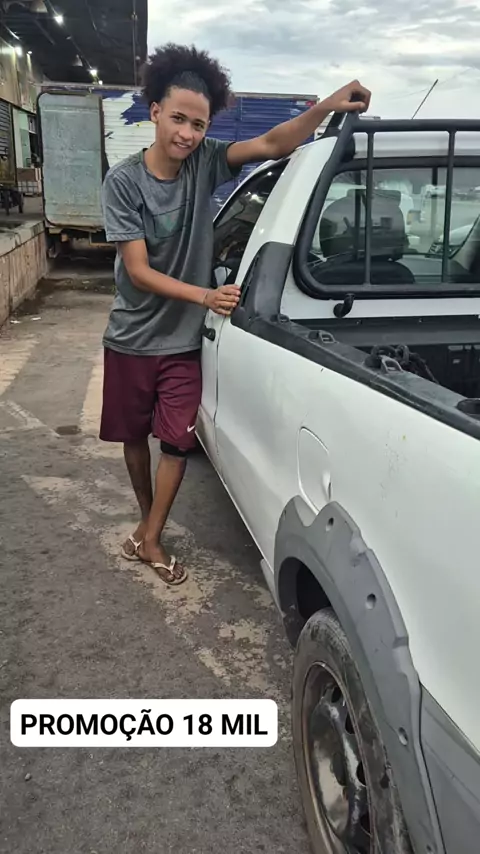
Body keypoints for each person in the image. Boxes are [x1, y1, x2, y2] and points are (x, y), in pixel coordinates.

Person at [100, 42, 370, 586]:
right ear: (155, 111)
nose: (187, 134)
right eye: (178, 119)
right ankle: (147, 522)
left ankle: (151, 537)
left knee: (176, 441)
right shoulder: (124, 182)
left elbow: (272, 143)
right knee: (133, 440)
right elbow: (138, 271)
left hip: (182, 343)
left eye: (198, 125)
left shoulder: (205, 162)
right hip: (131, 337)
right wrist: (205, 296)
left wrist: (326, 106)